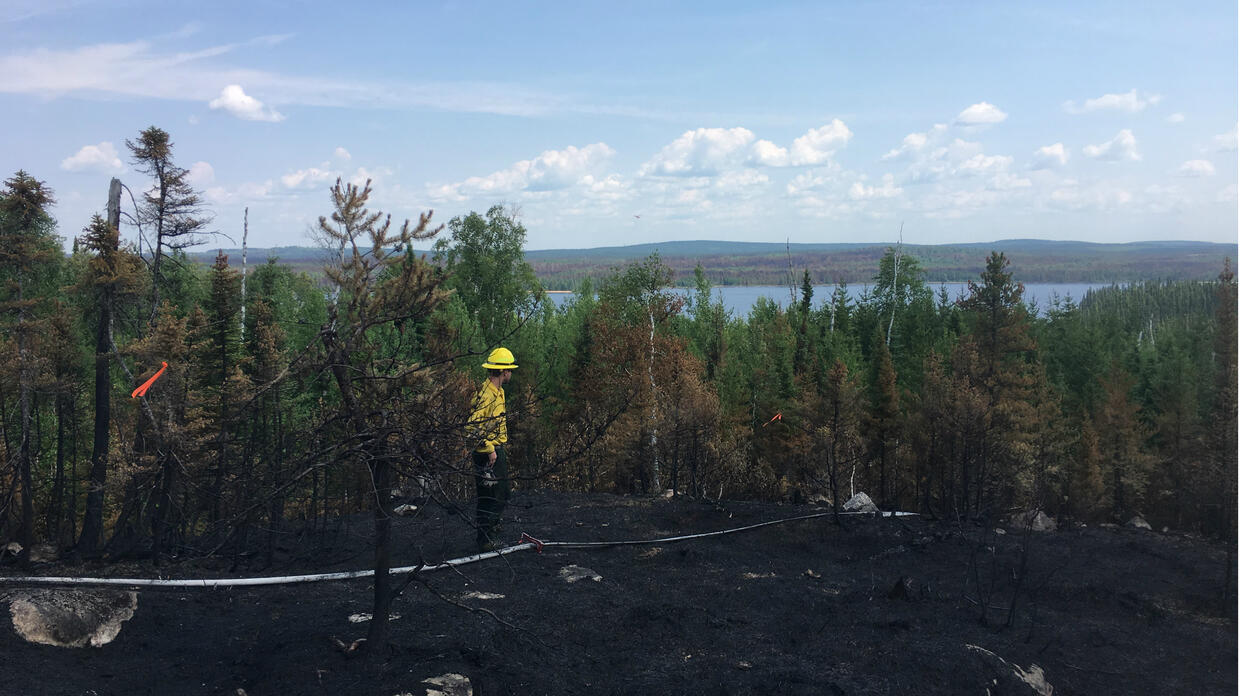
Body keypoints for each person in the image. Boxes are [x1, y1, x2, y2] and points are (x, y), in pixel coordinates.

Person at [469, 347, 517, 551]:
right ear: (504, 371)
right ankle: (485, 540)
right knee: (491, 497)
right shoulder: (486, 395)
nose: (511, 373)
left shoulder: (498, 392)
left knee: (502, 492)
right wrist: (489, 449)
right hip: (487, 453)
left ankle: (491, 528)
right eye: (510, 370)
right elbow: (471, 426)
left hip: (496, 449)